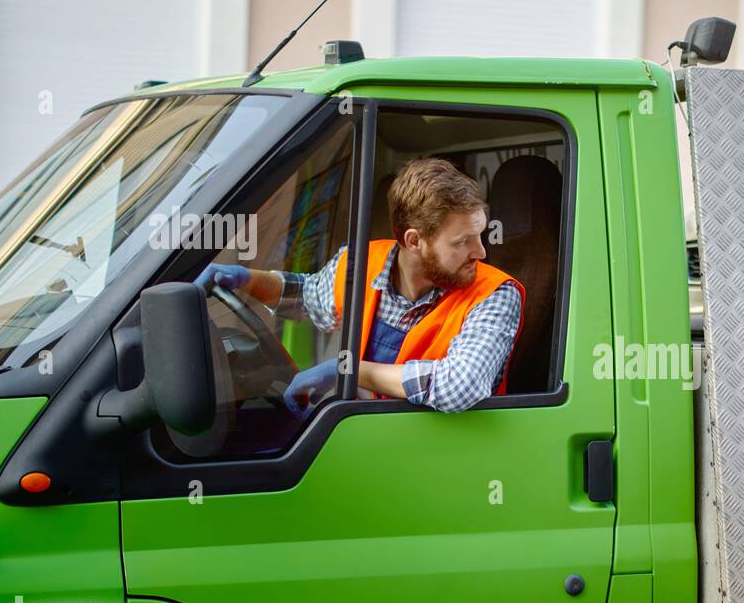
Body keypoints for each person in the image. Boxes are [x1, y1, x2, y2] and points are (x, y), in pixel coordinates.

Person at [195, 158, 524, 416]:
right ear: (414, 241)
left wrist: (352, 371)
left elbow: (459, 387)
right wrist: (246, 279)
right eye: (464, 241)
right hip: (372, 442)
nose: (481, 252)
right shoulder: (359, 264)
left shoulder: (495, 295)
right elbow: (307, 296)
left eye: (479, 236)